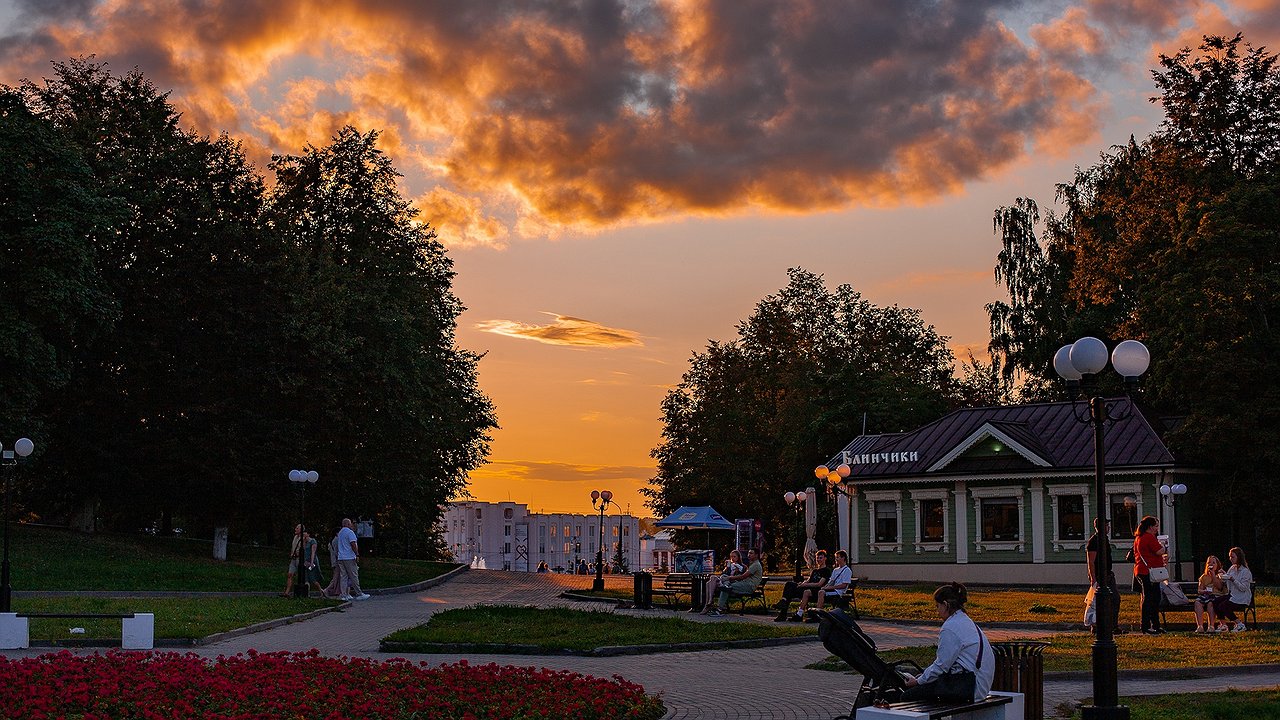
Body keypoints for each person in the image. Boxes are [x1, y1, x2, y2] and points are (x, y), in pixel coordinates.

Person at [902, 583, 994, 702]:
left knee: (907, 696)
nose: (937, 611)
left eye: (937, 606)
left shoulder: (950, 627)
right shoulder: (965, 621)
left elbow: (941, 665)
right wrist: (925, 677)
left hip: (967, 689)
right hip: (979, 686)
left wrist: (918, 681)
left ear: (945, 605)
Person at [1084, 518, 1122, 633]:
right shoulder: (1094, 541)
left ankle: (1112, 626)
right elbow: (1091, 561)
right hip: (1100, 576)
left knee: (1114, 599)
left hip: (1108, 574)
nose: (1108, 527)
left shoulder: (1104, 539)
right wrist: (1093, 577)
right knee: (1099, 601)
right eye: (1106, 525)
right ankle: (1097, 626)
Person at [1132, 515, 1167, 635]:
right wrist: (1164, 546)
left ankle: (1151, 625)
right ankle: (1149, 625)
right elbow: (1159, 551)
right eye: (1156, 526)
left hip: (1142, 570)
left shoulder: (1139, 538)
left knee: (1149, 598)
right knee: (1152, 599)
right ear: (1150, 527)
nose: (1157, 528)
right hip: (1149, 571)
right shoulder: (1149, 538)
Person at [701, 548, 762, 616]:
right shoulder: (753, 564)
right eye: (748, 553)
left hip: (749, 586)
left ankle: (719, 609)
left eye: (751, 553)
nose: (748, 555)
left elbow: (743, 576)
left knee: (726, 588)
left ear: (756, 555)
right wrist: (727, 569)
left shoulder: (755, 565)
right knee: (713, 582)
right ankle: (710, 604)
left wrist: (729, 578)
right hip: (744, 584)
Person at [773, 549, 831, 622]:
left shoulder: (826, 571)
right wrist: (802, 583)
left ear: (825, 558)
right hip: (806, 588)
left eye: (820, 558)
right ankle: (783, 603)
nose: (818, 560)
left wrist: (805, 585)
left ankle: (797, 614)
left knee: (797, 591)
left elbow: (819, 584)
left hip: (815, 591)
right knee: (789, 585)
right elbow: (808, 580)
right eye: (817, 558)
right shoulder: (814, 571)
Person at [794, 549, 852, 621]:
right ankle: (800, 614)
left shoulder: (847, 570)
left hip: (838, 592)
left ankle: (818, 614)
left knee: (821, 592)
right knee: (812, 591)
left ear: (843, 558)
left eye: (838, 557)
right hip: (831, 589)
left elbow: (844, 585)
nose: (836, 559)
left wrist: (830, 587)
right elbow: (831, 581)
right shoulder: (835, 570)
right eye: (836, 557)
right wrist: (826, 586)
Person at [1212, 546, 1253, 631]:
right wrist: (1223, 575)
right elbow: (1228, 581)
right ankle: (1223, 624)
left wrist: (1232, 579)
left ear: (1239, 557)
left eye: (1233, 557)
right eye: (1230, 557)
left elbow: (1243, 588)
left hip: (1242, 597)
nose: (1231, 559)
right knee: (1215, 602)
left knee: (1224, 606)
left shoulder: (1245, 572)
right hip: (1232, 595)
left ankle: (1239, 624)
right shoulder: (1232, 568)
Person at [336, 518, 370, 601]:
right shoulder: (350, 532)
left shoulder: (340, 533)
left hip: (341, 557)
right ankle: (359, 593)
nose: (352, 525)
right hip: (349, 557)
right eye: (351, 523)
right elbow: (353, 544)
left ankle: (343, 595)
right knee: (354, 575)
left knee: (343, 576)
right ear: (348, 524)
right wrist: (357, 554)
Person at [1193, 555, 1227, 633]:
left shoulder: (1220, 576)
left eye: (1213, 563)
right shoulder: (1203, 577)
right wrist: (1204, 591)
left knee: (1210, 604)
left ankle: (1211, 626)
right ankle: (1200, 626)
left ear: (1217, 565)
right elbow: (1199, 590)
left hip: (1215, 595)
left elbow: (1219, 587)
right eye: (1209, 563)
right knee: (1197, 603)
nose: (1211, 564)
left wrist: (1213, 575)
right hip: (1205, 595)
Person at [302, 530, 325, 595]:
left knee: (313, 578)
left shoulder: (312, 541)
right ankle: (307, 593)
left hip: (312, 561)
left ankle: (321, 591)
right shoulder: (304, 542)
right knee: (306, 578)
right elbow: (303, 550)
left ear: (308, 534)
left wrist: (312, 562)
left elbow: (313, 552)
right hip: (306, 561)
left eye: (305, 534)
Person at [282, 524, 302, 597]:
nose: (295, 529)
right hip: (293, 558)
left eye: (297, 528)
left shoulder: (303, 538)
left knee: (300, 575)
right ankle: (287, 592)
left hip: (299, 559)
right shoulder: (295, 537)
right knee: (290, 574)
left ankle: (299, 591)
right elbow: (293, 547)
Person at [322, 528, 342, 598]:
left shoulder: (332, 541)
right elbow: (337, 552)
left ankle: (336, 591)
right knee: (336, 577)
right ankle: (327, 590)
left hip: (333, 561)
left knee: (336, 576)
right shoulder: (336, 540)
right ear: (337, 533)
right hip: (337, 561)